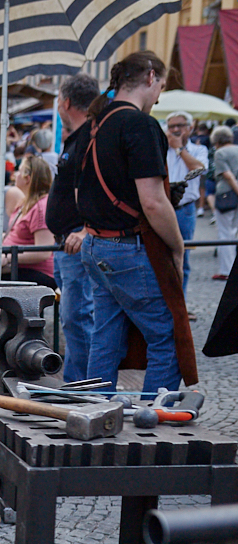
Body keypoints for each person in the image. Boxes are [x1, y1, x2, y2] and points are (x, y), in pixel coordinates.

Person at [72, 51, 194, 394]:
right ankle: (153, 423)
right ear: (151, 77)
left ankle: (98, 413)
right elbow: (154, 202)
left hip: (94, 245)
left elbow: (80, 198)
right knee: (169, 337)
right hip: (129, 249)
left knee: (106, 337)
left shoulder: (93, 125)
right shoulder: (140, 124)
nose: (159, 97)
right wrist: (178, 245)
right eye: (162, 87)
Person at [45, 72, 99, 383]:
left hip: (76, 240)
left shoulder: (88, 138)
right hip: (67, 241)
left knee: (77, 317)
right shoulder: (81, 137)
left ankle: (82, 385)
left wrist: (85, 229)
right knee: (74, 317)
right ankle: (80, 381)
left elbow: (92, 190)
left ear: (66, 102)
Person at [0, 156, 57, 332]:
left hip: (36, 272)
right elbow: (10, 236)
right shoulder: (26, 204)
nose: (15, 174)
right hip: (17, 266)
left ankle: (9, 330)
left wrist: (7, 258)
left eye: (19, 170)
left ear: (27, 178)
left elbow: (43, 252)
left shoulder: (41, 206)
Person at [164, 111, 208, 295]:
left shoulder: (198, 150)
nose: (175, 129)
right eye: (172, 126)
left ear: (190, 128)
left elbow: (199, 169)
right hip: (163, 208)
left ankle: (180, 302)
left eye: (180, 125)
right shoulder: (160, 149)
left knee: (183, 257)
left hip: (184, 209)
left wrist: (179, 149)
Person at [211, 125, 238, 281]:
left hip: (227, 194)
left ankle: (226, 270)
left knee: (224, 233)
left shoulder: (220, 153)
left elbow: (227, 176)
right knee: (234, 231)